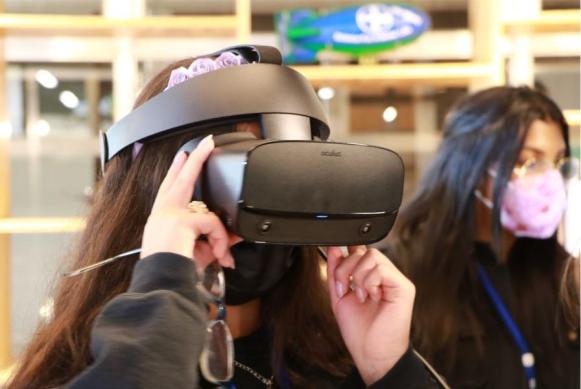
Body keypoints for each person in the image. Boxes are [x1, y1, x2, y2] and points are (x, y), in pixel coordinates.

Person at [8, 49, 440, 389]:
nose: (262, 207)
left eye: (287, 176)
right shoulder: (102, 363)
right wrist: (163, 287)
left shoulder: (337, 357)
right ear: (163, 189)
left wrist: (387, 369)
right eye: (240, 174)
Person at [389, 86, 580, 388]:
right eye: (528, 162)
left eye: (557, 162)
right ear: (473, 166)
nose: (549, 179)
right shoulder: (400, 276)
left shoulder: (560, 274)